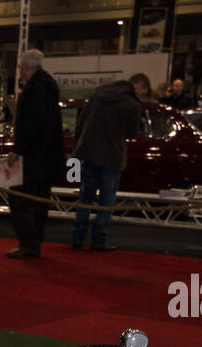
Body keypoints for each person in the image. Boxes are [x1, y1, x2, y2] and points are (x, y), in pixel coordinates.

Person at [71, 73, 151, 251]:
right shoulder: (132, 104)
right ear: (139, 85)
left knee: (85, 198)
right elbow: (131, 133)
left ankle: (78, 237)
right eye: (143, 92)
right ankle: (99, 240)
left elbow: (81, 122)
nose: (142, 96)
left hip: (89, 153)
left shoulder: (98, 95)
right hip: (112, 156)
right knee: (106, 201)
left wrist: (77, 150)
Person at [5, 49, 65, 259]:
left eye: (21, 66)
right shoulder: (47, 85)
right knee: (39, 203)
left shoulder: (36, 89)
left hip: (34, 156)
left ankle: (28, 243)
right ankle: (33, 243)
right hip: (45, 156)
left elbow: (33, 124)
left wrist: (17, 150)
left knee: (18, 199)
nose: (20, 70)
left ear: (26, 67)